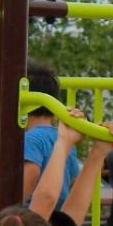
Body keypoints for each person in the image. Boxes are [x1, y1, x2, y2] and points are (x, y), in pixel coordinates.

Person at [21, 62, 83, 211]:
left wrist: (11, 207)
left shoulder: (30, 139)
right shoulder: (64, 138)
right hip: (57, 212)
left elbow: (31, 173)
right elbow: (73, 178)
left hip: (34, 213)